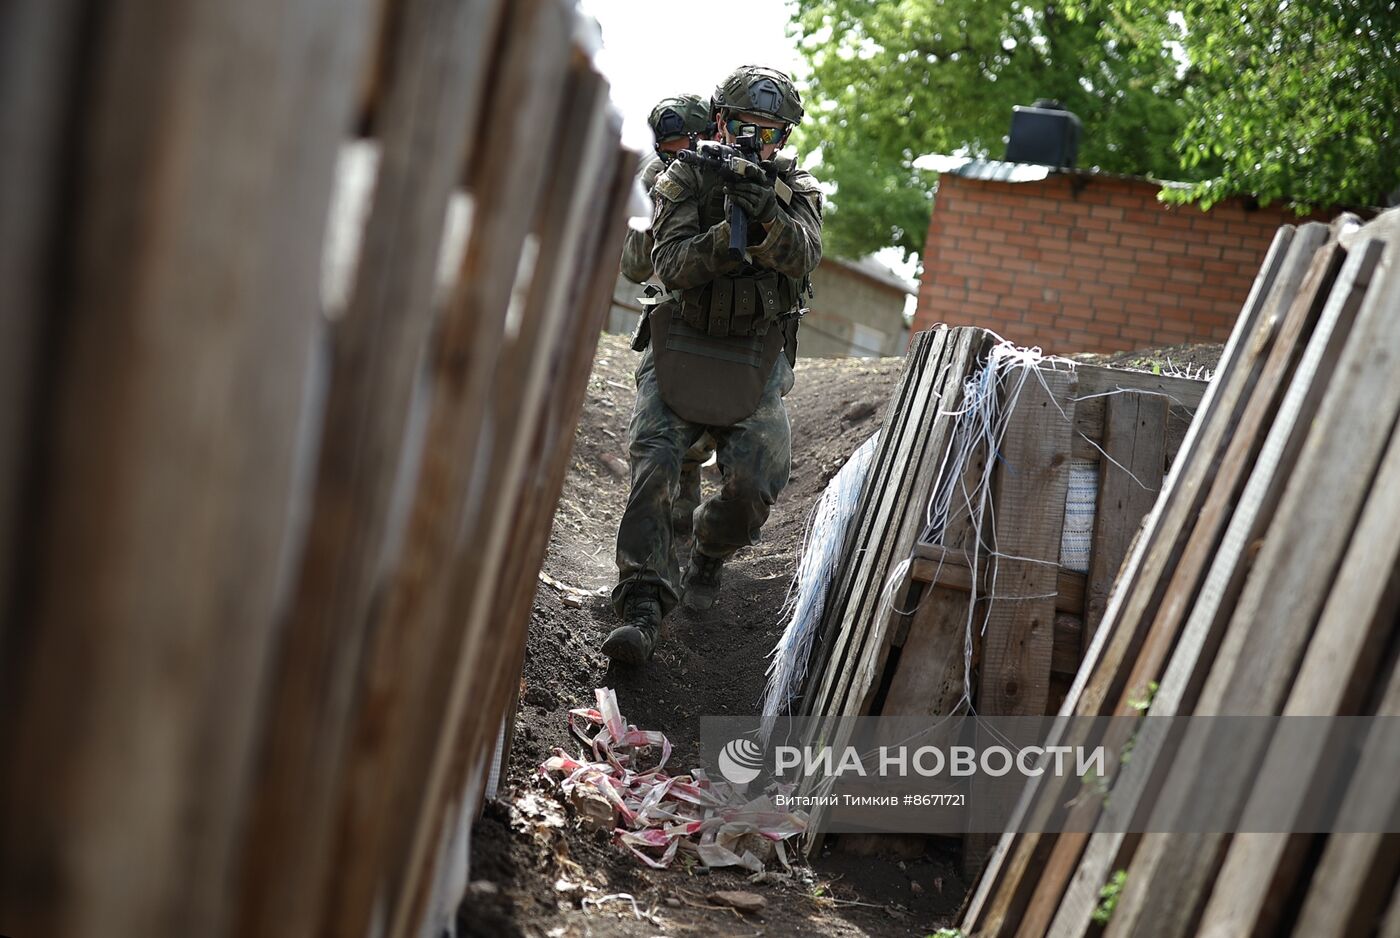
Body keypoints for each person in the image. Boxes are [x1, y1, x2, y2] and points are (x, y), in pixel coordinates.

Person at [603, 65, 823, 666]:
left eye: (770, 131)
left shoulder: (794, 186)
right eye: (746, 126)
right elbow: (669, 264)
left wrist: (765, 220)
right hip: (682, 343)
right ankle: (643, 604)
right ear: (721, 122)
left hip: (754, 354)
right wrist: (728, 232)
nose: (756, 140)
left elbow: (805, 256)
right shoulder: (683, 177)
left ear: (784, 136)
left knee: (754, 485)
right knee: (654, 464)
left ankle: (706, 553)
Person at [620, 95, 719, 535]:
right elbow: (635, 267)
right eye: (671, 148)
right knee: (655, 437)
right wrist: (662, 201)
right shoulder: (655, 178)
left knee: (716, 420)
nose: (680, 156)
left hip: (728, 323)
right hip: (672, 318)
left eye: (688, 145)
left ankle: (690, 468)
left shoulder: (727, 172)